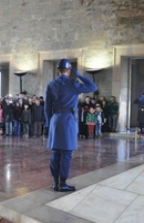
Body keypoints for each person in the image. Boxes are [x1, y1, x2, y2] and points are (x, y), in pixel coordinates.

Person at [45, 59, 97, 192]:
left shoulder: (51, 84)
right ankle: (62, 183)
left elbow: (47, 107)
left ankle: (55, 181)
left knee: (55, 152)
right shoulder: (73, 84)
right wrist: (78, 75)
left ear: (58, 70)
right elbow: (92, 87)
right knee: (66, 152)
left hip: (55, 119)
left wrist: (49, 123)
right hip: (68, 119)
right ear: (69, 71)